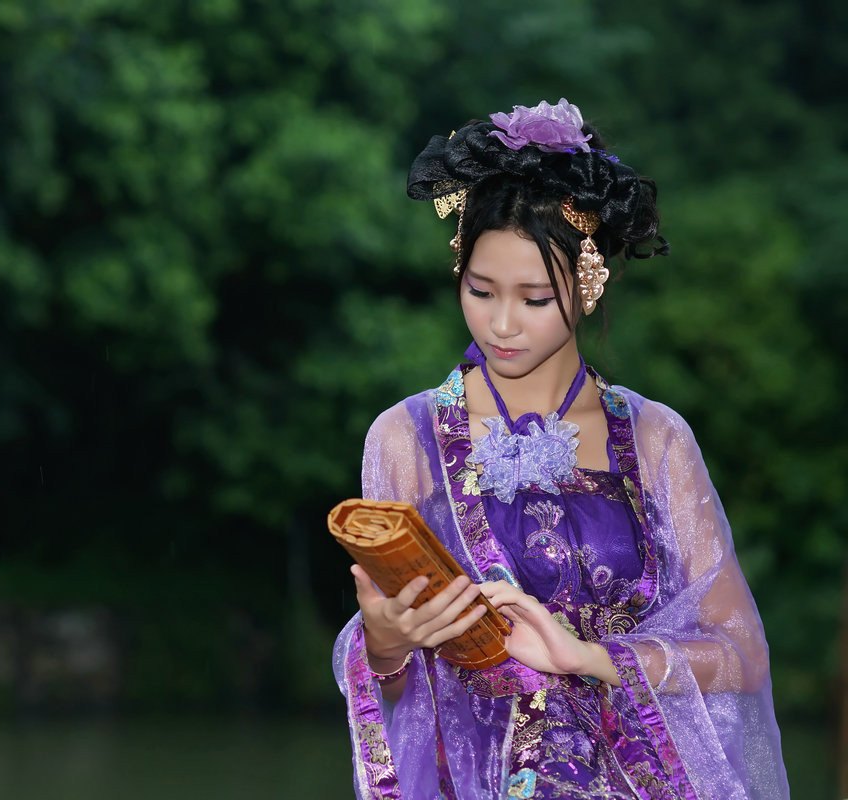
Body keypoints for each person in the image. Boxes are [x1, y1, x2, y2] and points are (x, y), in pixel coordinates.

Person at [332, 99, 788, 800]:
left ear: (589, 281)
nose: (502, 323)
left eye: (535, 298)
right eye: (480, 290)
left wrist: (590, 657)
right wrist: (386, 641)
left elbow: (741, 656)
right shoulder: (406, 436)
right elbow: (391, 682)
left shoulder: (654, 437)